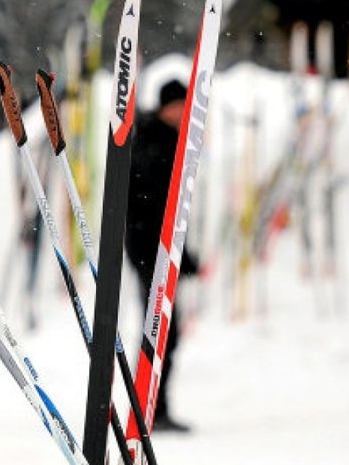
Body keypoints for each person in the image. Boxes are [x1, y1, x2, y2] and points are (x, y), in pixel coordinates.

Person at [125, 78, 198, 433]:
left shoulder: (170, 140)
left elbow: (175, 211)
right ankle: (148, 407)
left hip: (161, 252)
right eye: (180, 106)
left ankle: (154, 406)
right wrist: (156, 256)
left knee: (166, 333)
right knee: (158, 331)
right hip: (149, 252)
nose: (183, 113)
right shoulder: (152, 142)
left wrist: (186, 256)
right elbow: (151, 208)